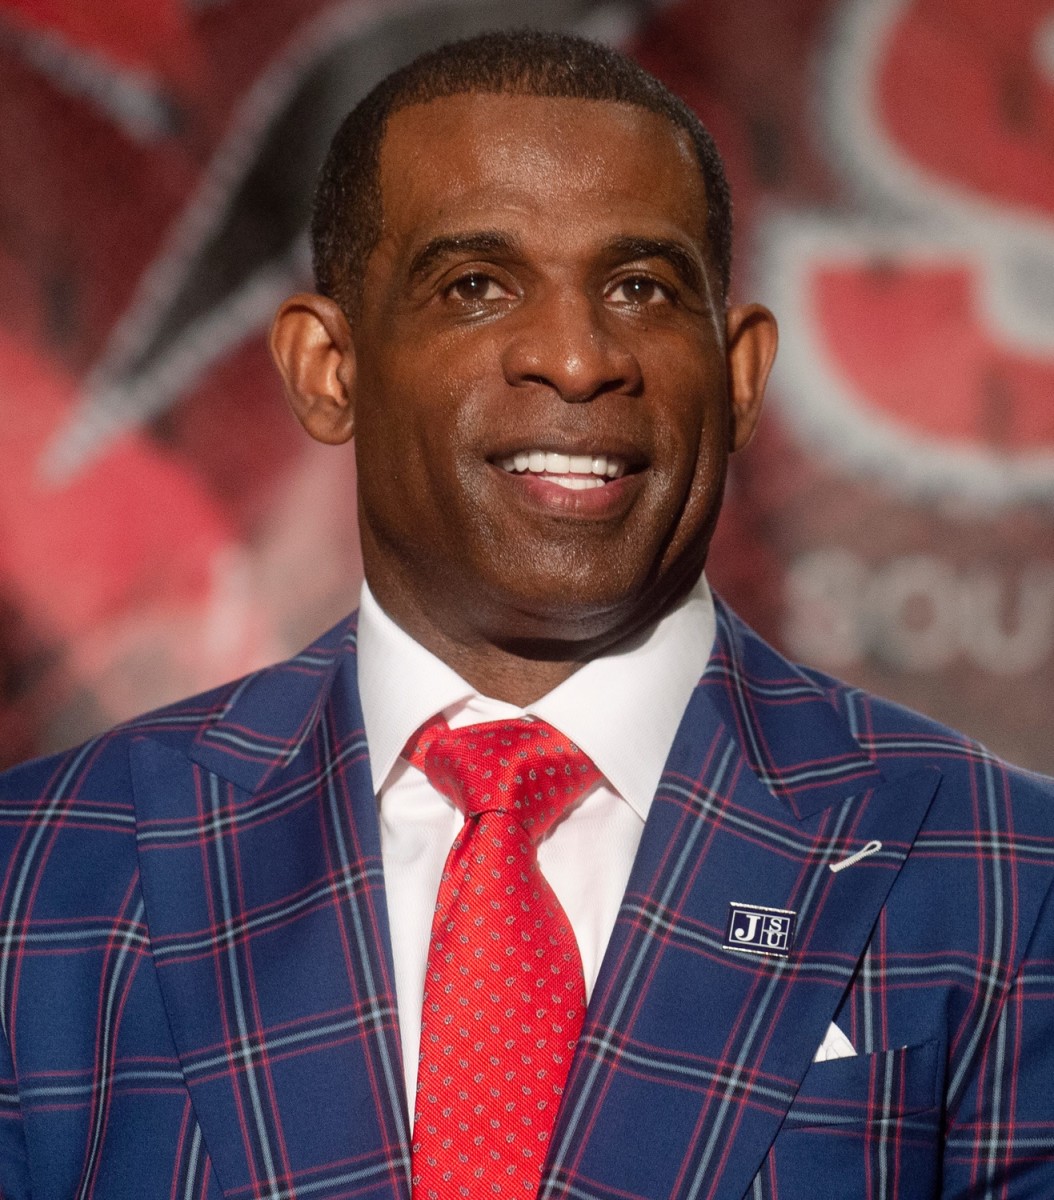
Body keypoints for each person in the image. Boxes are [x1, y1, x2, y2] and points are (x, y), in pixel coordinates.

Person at [1, 29, 1052, 1200]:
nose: (576, 356)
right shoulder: (40, 876)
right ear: (325, 370)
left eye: (641, 288)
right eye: (476, 287)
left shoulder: (1009, 875)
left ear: (741, 373)